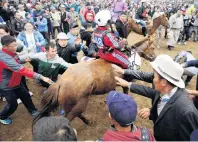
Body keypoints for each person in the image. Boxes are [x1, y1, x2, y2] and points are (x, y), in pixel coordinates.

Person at [115, 54, 198, 140]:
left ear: (163, 82)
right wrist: (153, 112)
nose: (152, 78)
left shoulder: (187, 112)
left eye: (154, 76)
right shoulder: (165, 91)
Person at [0, 35, 53, 125]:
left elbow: (16, 61)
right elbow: (20, 69)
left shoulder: (11, 52)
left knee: (26, 96)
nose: (16, 47)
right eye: (14, 45)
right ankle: (2, 116)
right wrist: (41, 77)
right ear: (5, 47)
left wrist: (24, 59)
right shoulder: (3, 57)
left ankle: (33, 111)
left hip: (17, 81)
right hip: (7, 85)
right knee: (13, 104)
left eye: (16, 44)